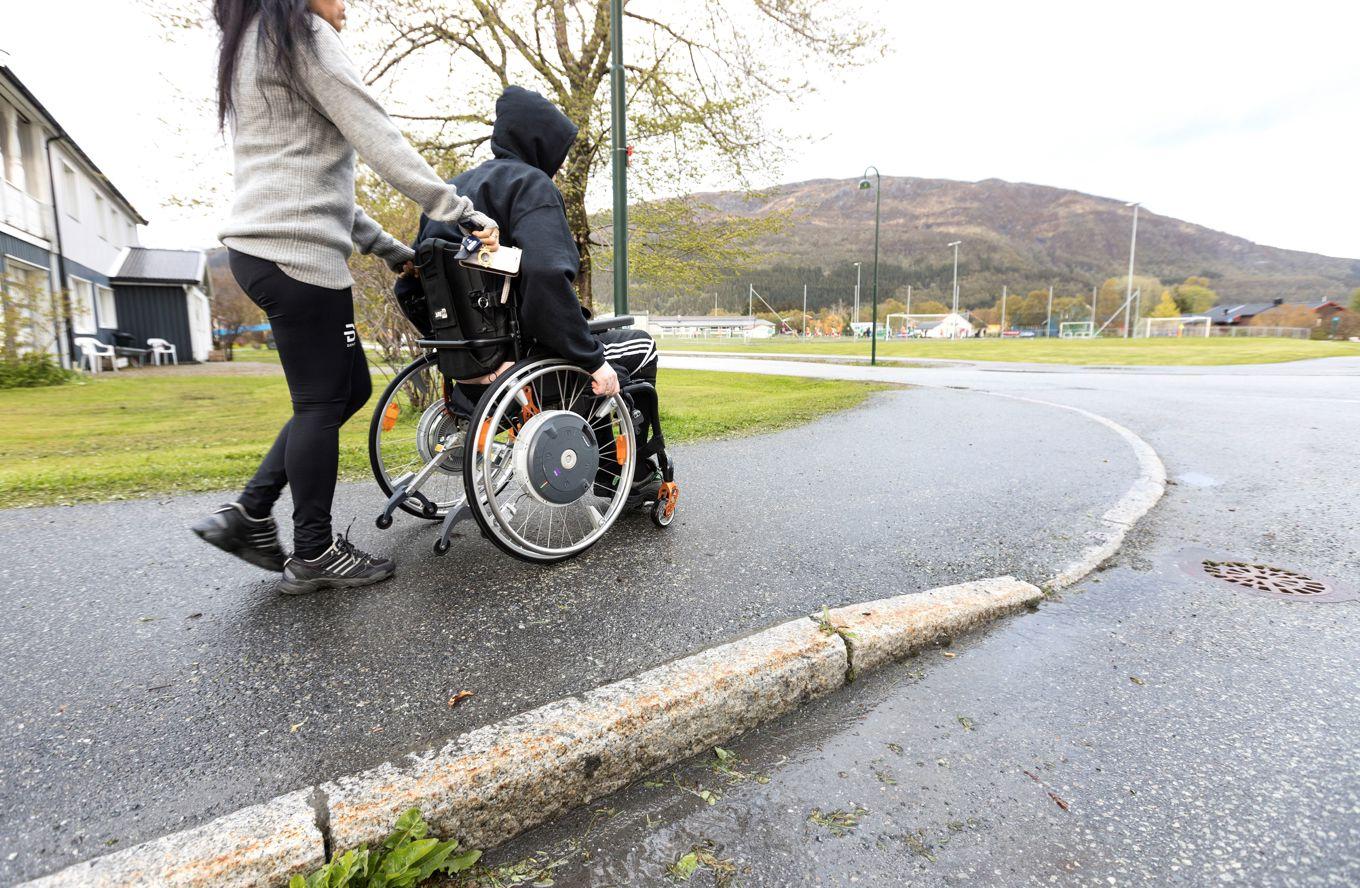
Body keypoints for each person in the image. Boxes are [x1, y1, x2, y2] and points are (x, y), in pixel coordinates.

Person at [191, 0, 498, 595]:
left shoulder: (257, 41)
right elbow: (374, 131)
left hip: (265, 250)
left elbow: (319, 186)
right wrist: (459, 211)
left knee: (346, 390)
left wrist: (391, 250)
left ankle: (251, 512)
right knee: (320, 404)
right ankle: (313, 551)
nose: (347, 7)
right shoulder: (298, 31)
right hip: (297, 256)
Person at [396, 86, 659, 409]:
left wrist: (454, 346)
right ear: (542, 144)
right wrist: (592, 360)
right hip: (523, 364)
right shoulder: (531, 185)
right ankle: (623, 459)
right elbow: (545, 274)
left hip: (468, 371)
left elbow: (409, 283)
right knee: (640, 346)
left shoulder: (453, 192)